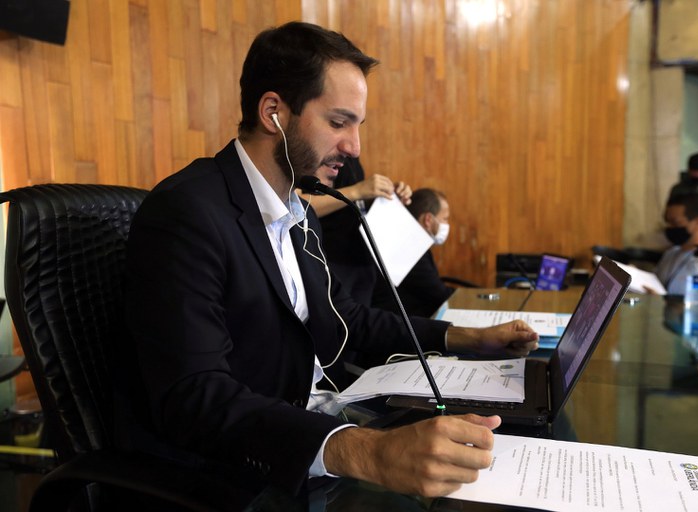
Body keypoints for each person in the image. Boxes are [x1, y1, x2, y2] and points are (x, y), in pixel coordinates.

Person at [122, 21, 539, 498]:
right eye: (339, 123)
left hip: (316, 431)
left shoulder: (298, 212)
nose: (354, 147)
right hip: (241, 474)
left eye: (357, 126)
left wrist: (469, 338)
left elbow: (348, 317)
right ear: (274, 112)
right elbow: (195, 396)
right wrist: (370, 452)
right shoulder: (187, 212)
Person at [300, 157, 412, 306]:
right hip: (332, 260)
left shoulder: (352, 159)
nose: (354, 149)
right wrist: (357, 190)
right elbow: (297, 204)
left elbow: (353, 204)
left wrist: (385, 195)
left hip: (362, 259)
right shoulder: (315, 154)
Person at [372, 188, 455, 318]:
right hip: (399, 324)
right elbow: (441, 296)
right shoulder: (409, 249)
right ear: (428, 220)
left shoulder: (411, 242)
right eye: (445, 219)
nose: (447, 224)